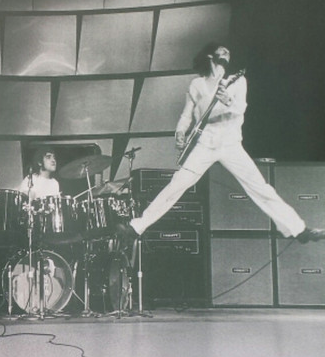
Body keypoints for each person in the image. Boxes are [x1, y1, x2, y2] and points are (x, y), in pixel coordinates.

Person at [119, 43, 325, 245]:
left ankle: (298, 230)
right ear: (210, 56)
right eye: (222, 50)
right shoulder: (196, 84)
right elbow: (186, 115)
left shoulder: (237, 81)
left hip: (230, 145)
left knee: (260, 187)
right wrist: (180, 132)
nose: (227, 51)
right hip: (204, 145)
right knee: (176, 184)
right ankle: (137, 227)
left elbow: (241, 109)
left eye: (228, 50)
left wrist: (228, 100)